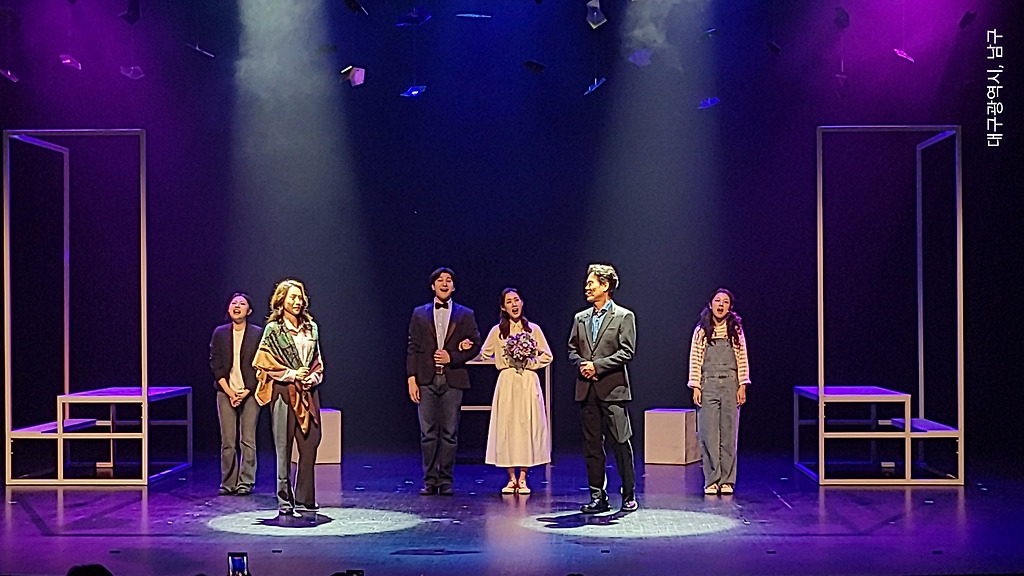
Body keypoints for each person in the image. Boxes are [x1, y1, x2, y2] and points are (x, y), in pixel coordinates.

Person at [567, 264, 638, 513]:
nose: (587, 287)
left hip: (613, 390)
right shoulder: (580, 318)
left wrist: (597, 366)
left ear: (605, 286)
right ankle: (598, 496)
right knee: (592, 446)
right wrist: (582, 366)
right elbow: (572, 349)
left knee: (621, 442)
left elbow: (627, 351)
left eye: (591, 283)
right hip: (587, 391)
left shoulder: (624, 316)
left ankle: (628, 494)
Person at [406, 267, 481, 496]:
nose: (444, 283)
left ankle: (446, 480)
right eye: (440, 280)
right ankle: (430, 480)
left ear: (454, 287)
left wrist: (453, 357)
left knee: (449, 433)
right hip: (426, 379)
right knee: (428, 433)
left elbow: (475, 344)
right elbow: (413, 348)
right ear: (433, 286)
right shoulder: (420, 313)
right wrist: (411, 379)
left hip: (452, 379)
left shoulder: (465, 314)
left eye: (449, 280)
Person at [253, 279, 324, 515]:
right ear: (281, 300)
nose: (297, 301)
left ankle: (305, 497)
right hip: (284, 391)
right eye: (292, 297)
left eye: (300, 297)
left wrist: (311, 378)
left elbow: (317, 362)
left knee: (311, 441)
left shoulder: (311, 328)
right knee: (283, 446)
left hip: (308, 391)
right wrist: (292, 374)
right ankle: (284, 499)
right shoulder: (274, 330)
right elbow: (265, 362)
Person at [480, 288, 553, 494]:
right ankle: (511, 478)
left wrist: (530, 362)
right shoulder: (497, 331)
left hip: (527, 380)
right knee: (507, 427)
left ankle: (523, 478)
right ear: (503, 307)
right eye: (509, 301)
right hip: (507, 381)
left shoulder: (533, 330)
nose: (514, 304)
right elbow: (484, 353)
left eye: (516, 300)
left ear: (522, 302)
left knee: (527, 426)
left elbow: (547, 355)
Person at [687, 288, 751, 496]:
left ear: (730, 307)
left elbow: (742, 358)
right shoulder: (701, 330)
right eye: (717, 301)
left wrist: (742, 385)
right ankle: (712, 480)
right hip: (708, 384)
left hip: (731, 383)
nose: (721, 305)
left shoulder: (735, 330)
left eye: (725, 302)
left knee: (729, 434)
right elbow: (695, 359)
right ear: (711, 304)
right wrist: (696, 386)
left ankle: (727, 480)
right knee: (708, 434)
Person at [209, 292, 263, 496]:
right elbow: (216, 364)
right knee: (228, 441)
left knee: (248, 439)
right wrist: (230, 391)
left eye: (242, 303)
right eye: (234, 303)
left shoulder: (257, 334)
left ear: (249, 310)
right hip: (226, 391)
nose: (237, 306)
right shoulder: (220, 333)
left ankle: (246, 482)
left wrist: (246, 390)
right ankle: (228, 483)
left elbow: (262, 365)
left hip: (251, 391)